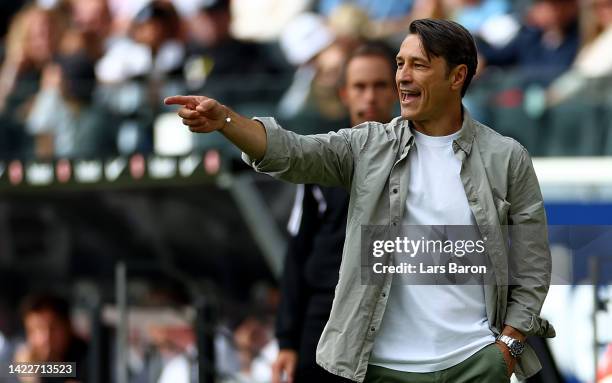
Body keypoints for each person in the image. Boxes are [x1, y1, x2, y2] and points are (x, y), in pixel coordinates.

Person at [165, 18, 554, 382]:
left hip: (475, 367)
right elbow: (292, 152)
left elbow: (532, 265)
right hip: (380, 369)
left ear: (457, 76)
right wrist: (227, 122)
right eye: (400, 63)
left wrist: (507, 348)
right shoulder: (368, 144)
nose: (402, 75)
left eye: (418, 65)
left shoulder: (507, 157)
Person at [272, 42, 397, 383]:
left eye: (380, 85)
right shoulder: (321, 159)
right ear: (344, 93)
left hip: (391, 324)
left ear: (398, 90)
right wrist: (287, 340)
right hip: (323, 322)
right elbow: (298, 252)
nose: (369, 96)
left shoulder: (420, 158)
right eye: (360, 86)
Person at [14, 293, 88, 382]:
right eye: (37, 329)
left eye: (53, 328)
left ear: (68, 326)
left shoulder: (89, 360)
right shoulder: (28, 359)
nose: (46, 338)